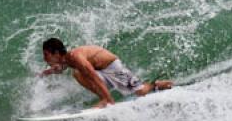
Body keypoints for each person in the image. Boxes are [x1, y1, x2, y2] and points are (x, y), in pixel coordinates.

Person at [40, 37, 173, 108]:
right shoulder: (67, 59)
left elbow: (93, 76)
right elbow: (63, 67)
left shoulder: (76, 57)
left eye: (46, 55)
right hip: (101, 70)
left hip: (113, 67)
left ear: (56, 53)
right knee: (77, 73)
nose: (45, 58)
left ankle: (155, 85)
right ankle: (105, 98)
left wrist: (107, 99)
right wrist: (49, 71)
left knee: (141, 92)